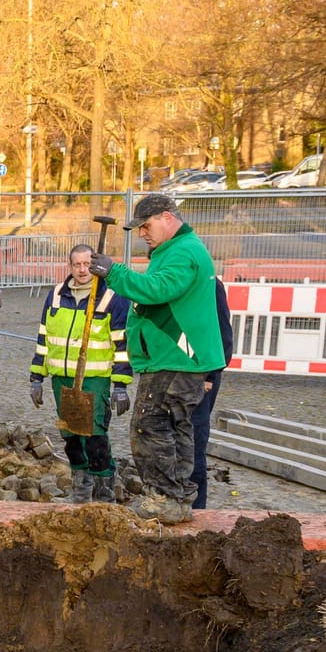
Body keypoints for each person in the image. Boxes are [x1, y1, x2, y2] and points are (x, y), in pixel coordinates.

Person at [89, 193, 227, 524]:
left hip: (174, 358)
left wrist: (114, 272)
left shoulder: (183, 253)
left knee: (150, 426)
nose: (142, 234)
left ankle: (165, 498)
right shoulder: (178, 249)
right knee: (176, 429)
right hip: (177, 358)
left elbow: (157, 289)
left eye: (146, 226)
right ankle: (178, 499)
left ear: (167, 217)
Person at [29, 244, 132, 503]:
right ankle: (81, 491)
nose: (83, 270)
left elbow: (122, 343)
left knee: (94, 435)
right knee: (71, 435)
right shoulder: (55, 296)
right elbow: (44, 338)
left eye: (88, 264)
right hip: (61, 379)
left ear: (95, 265)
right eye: (77, 264)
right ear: (70, 266)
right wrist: (36, 377)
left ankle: (104, 493)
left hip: (94, 380)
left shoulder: (111, 297)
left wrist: (120, 384)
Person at [189, 276, 235, 509]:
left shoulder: (209, 284)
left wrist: (209, 375)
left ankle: (196, 509)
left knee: (194, 443)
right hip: (172, 374)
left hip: (200, 378)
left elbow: (222, 336)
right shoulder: (166, 280)